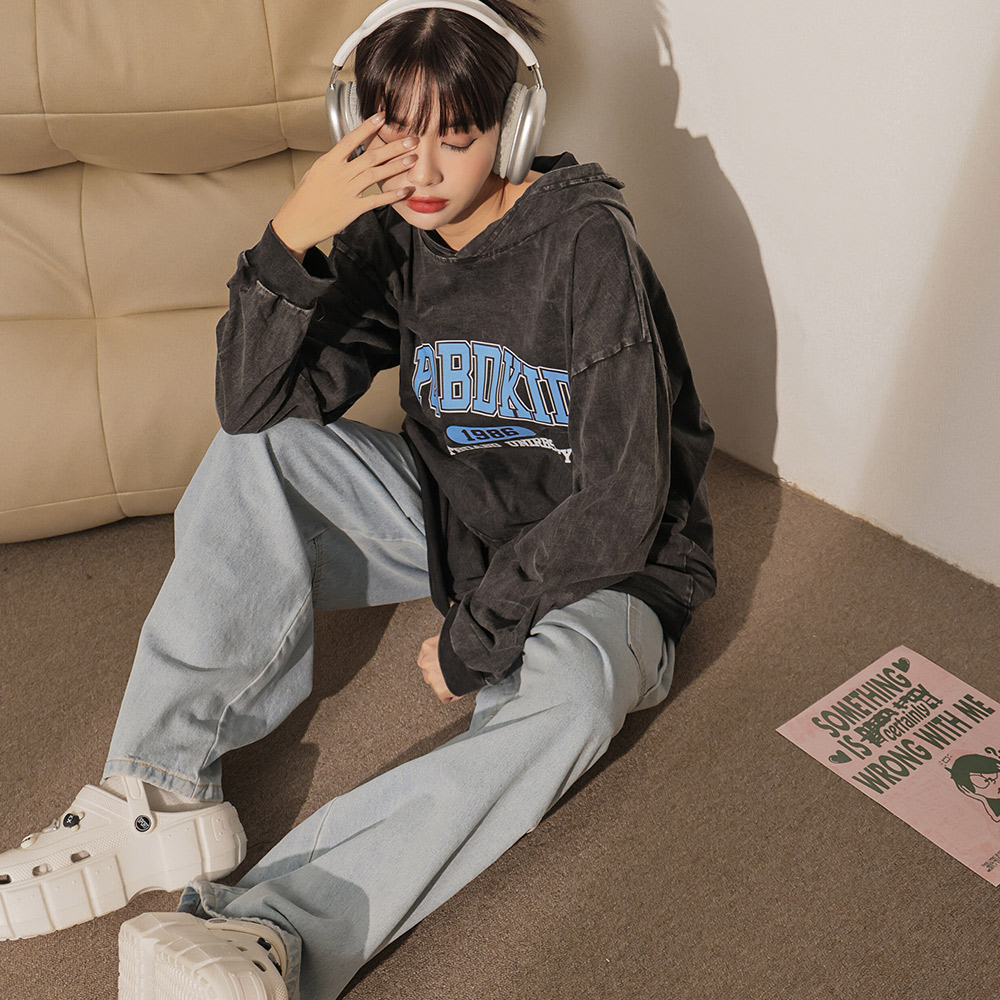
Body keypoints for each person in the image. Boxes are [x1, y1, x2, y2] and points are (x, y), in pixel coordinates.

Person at [0, 1, 716, 997]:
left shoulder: (584, 243)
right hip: (455, 519)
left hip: (609, 567)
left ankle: (270, 930)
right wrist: (292, 234)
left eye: (454, 137)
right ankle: (157, 792)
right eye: (393, 135)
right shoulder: (395, 235)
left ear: (511, 127)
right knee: (260, 454)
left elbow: (625, 496)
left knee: (576, 700)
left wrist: (479, 636)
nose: (421, 170)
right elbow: (252, 407)